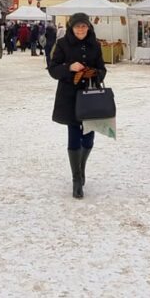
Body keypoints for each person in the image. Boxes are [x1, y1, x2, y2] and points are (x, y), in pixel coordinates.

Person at [49, 12, 108, 199]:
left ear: (88, 27)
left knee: (89, 137)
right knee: (74, 135)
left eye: (84, 26)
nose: (81, 29)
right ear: (71, 28)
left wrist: (94, 73)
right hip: (70, 97)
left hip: (91, 97)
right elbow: (53, 70)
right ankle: (76, 179)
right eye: (77, 26)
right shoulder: (62, 44)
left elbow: (102, 69)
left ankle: (82, 169)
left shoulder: (95, 45)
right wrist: (69, 68)